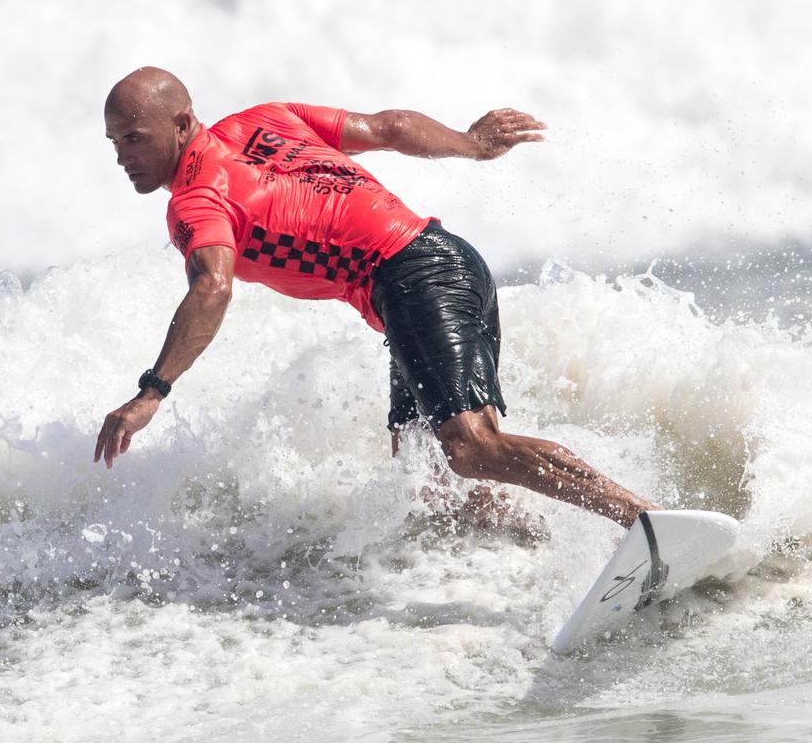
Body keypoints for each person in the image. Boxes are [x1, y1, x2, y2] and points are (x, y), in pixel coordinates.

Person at [93, 66, 659, 529]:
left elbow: (212, 288)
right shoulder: (268, 120)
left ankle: (646, 520)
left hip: (411, 279)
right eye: (116, 141)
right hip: (450, 260)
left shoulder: (196, 200)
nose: (123, 155)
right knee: (424, 473)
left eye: (136, 138)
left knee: (470, 447)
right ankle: (517, 549)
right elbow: (388, 127)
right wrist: (473, 145)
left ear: (183, 122)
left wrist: (152, 393)